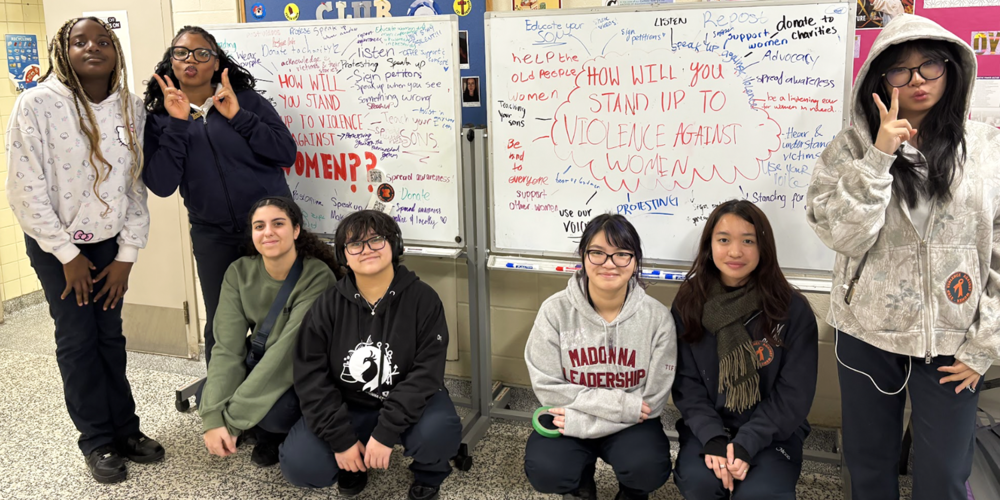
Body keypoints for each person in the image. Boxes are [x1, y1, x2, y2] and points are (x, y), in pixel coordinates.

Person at [806, 14, 1000, 500]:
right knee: (869, 469)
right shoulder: (850, 148)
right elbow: (845, 236)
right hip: (867, 332)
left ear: (951, 69)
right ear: (878, 78)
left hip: (954, 343)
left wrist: (984, 346)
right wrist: (879, 156)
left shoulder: (985, 148)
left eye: (929, 65)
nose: (916, 80)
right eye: (900, 69)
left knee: (943, 477)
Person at [4, 17, 163, 484]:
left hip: (110, 246)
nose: (92, 47)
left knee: (110, 337)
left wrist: (126, 256)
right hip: (56, 248)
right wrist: (66, 255)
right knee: (78, 341)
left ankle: (126, 431)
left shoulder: (132, 109)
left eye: (102, 41)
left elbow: (135, 189)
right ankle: (96, 441)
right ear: (63, 51)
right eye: (79, 42)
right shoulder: (36, 105)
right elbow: (24, 189)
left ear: (115, 51)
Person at [142, 26, 296, 372]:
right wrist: (179, 124)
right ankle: (224, 404)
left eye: (202, 53)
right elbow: (162, 184)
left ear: (217, 63)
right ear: (171, 62)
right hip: (213, 234)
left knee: (278, 318)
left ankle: (281, 407)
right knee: (223, 323)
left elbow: (286, 153)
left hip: (269, 229)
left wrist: (239, 117)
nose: (191, 59)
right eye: (181, 52)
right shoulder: (160, 119)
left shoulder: (248, 101)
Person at [281, 210, 461, 500]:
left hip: (412, 402)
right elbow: (311, 378)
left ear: (395, 245)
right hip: (349, 404)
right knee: (301, 464)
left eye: (376, 240)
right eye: (355, 244)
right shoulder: (326, 305)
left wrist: (386, 432)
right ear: (344, 255)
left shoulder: (423, 299)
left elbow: (426, 373)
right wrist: (341, 440)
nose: (366, 250)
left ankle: (429, 474)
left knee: (439, 433)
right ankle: (353, 467)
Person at [671, 200, 818, 499]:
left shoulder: (791, 309)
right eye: (723, 240)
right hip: (708, 430)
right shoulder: (689, 302)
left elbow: (793, 395)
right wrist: (713, 438)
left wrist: (746, 443)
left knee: (761, 495)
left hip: (771, 434)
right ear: (709, 245)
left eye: (748, 241)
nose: (735, 252)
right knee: (700, 485)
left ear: (763, 247)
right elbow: (686, 383)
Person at [523, 214, 676, 500]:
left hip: (631, 424)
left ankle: (632, 492)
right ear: (583, 256)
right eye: (597, 253)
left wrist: (593, 418)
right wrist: (619, 406)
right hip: (580, 416)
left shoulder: (658, 318)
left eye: (621, 254)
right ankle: (580, 484)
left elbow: (652, 401)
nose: (609, 263)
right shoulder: (554, 311)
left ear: (634, 260)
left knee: (648, 468)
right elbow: (547, 387)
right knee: (546, 470)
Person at [199, 197, 337, 467]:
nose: (268, 232)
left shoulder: (317, 276)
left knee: (277, 413)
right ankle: (262, 433)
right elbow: (227, 348)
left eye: (278, 223)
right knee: (207, 393)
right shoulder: (239, 272)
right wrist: (214, 417)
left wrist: (233, 422)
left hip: (302, 369)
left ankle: (275, 435)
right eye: (259, 226)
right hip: (262, 358)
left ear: (296, 230)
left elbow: (287, 354)